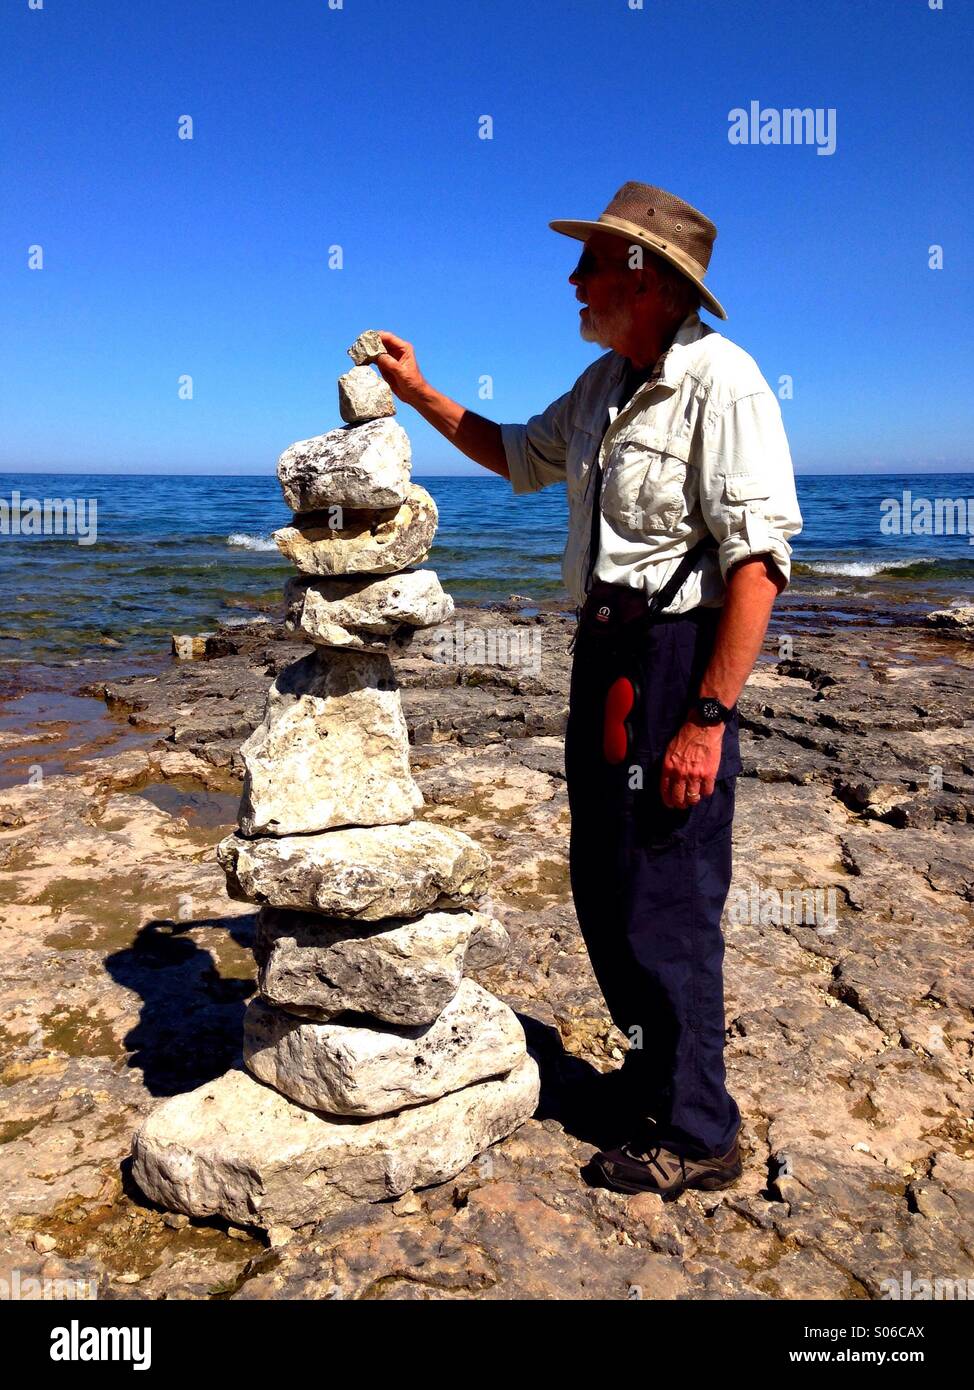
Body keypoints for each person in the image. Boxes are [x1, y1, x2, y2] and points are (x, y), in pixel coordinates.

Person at [375, 181, 803, 1199]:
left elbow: (756, 564)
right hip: (602, 659)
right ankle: (654, 1081)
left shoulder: (723, 383)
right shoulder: (602, 384)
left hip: (674, 665)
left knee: (670, 897)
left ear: (645, 279)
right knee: (604, 886)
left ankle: (701, 1131)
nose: (573, 279)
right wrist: (419, 391)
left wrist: (707, 715)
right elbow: (516, 454)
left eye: (593, 264)